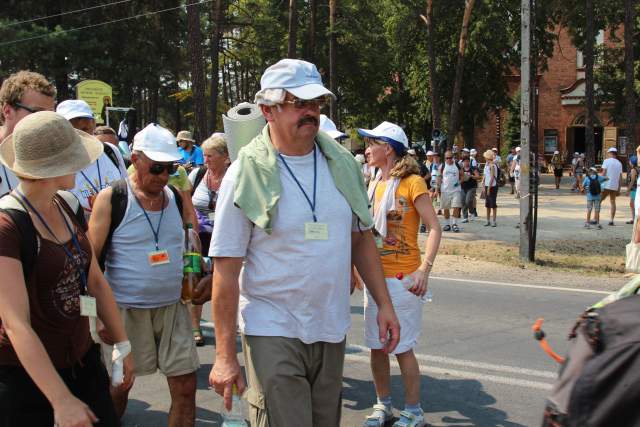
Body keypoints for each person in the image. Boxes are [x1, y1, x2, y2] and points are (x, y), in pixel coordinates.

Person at [207, 58, 400, 427]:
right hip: (271, 325)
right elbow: (226, 271)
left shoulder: (342, 164)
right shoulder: (244, 173)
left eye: (316, 103)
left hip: (330, 325)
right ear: (268, 110)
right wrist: (224, 355)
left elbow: (361, 241)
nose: (311, 112)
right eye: (299, 103)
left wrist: (385, 305)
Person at [0, 111, 133, 426]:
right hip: (25, 379)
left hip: (82, 362)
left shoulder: (67, 204)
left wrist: (123, 343)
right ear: (53, 167)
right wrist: (60, 400)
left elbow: (95, 281)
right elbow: (16, 323)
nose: (83, 164)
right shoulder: (8, 225)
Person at [88, 123, 199, 425]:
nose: (163, 176)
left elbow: (191, 242)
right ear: (135, 159)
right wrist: (97, 315)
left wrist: (198, 273)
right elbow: (90, 263)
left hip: (172, 308)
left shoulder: (175, 196)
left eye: (170, 168)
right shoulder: (113, 198)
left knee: (186, 387)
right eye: (157, 168)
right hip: (123, 311)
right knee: (119, 387)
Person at [360, 120, 441, 427]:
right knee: (377, 346)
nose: (367, 150)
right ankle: (383, 405)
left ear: (389, 149)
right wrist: (358, 269)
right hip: (375, 279)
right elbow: (365, 233)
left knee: (401, 347)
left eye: (372, 144)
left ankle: (414, 410)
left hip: (403, 279)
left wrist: (424, 271)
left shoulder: (412, 182)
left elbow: (434, 228)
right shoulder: (373, 183)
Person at [188, 133, 230, 346]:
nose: (206, 160)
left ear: (226, 156)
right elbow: (187, 203)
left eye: (211, 156)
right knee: (195, 281)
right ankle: (195, 328)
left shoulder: (235, 176)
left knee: (224, 284)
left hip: (226, 240)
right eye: (204, 155)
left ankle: (226, 329)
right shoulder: (197, 175)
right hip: (198, 240)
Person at [56, 100, 127, 219]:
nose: (80, 135)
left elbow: (127, 188)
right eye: (73, 128)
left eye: (84, 128)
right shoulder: (56, 165)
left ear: (93, 124)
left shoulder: (110, 151)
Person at [0, 70, 56, 194]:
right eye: (37, 112)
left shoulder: (53, 155)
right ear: (8, 111)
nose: (46, 121)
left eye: (50, 114)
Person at [437, 150, 463, 232]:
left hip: (456, 190)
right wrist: (437, 188)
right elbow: (439, 177)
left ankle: (454, 224)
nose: (449, 159)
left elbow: (463, 175)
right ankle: (447, 224)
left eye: (450, 157)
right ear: (445, 158)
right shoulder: (442, 166)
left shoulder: (457, 165)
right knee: (446, 208)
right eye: (447, 158)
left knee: (456, 206)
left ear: (453, 157)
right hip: (445, 190)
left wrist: (459, 182)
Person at [600, 147, 623, 226]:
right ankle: (611, 220)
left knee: (598, 201)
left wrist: (599, 184)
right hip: (614, 185)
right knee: (613, 202)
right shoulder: (619, 163)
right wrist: (619, 188)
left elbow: (603, 173)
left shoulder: (606, 161)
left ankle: (596, 218)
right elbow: (620, 177)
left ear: (610, 153)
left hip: (606, 184)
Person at [461, 156, 480, 223]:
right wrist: (463, 178)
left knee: (468, 201)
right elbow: (459, 179)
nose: (466, 163)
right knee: (463, 202)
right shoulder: (461, 169)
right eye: (464, 161)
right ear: (462, 162)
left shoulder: (473, 168)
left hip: (472, 187)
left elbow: (478, 177)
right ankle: (465, 217)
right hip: (463, 187)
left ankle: (472, 212)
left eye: (467, 161)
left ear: (469, 161)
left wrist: (471, 176)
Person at [483, 149, 499, 227]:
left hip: (492, 186)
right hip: (487, 185)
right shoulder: (486, 165)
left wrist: (488, 188)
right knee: (487, 204)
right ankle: (488, 220)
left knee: (493, 204)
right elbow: (485, 176)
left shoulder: (492, 165)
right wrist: (483, 184)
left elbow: (492, 177)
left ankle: (494, 221)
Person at [627, 156, 639, 225]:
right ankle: (634, 218)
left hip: (634, 189)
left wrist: (628, 189)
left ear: (632, 162)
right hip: (636, 189)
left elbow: (632, 181)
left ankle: (634, 218)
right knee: (634, 204)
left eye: (630, 161)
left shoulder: (633, 170)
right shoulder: (638, 169)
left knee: (632, 204)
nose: (629, 162)